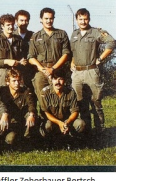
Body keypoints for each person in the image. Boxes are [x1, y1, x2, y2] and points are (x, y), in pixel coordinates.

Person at [70, 8, 116, 136]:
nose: (83, 22)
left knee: (96, 101)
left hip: (91, 71)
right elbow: (73, 51)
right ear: (76, 20)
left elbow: (112, 42)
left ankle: (100, 130)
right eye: (80, 19)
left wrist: (100, 58)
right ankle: (85, 130)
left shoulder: (95, 32)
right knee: (80, 102)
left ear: (89, 19)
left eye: (85, 19)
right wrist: (72, 62)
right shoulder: (74, 34)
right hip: (77, 73)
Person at [28, 8, 71, 105]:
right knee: (43, 100)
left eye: (51, 18)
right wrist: (43, 70)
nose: (48, 21)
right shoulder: (35, 36)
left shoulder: (62, 34)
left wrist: (53, 69)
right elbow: (31, 57)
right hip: (41, 72)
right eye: (46, 18)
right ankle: (45, 115)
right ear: (41, 19)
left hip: (58, 71)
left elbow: (66, 54)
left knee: (60, 99)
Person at [39, 68, 86, 143]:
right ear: (51, 80)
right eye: (55, 79)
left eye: (60, 79)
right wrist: (59, 123)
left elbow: (75, 111)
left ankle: (71, 139)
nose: (58, 82)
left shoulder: (71, 92)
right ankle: (52, 141)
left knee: (81, 124)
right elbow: (46, 113)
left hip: (67, 121)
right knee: (48, 125)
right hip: (53, 122)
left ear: (65, 80)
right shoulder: (45, 92)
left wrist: (67, 122)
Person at [0, 69, 38, 149]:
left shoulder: (25, 91)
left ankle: (27, 139)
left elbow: (31, 104)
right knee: (9, 140)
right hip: (7, 122)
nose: (17, 83)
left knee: (30, 116)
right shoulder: (2, 91)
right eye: (14, 81)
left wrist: (31, 114)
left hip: (20, 122)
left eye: (18, 80)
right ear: (7, 81)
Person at [0, 14, 26, 91]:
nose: (11, 27)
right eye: (8, 25)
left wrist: (23, 61)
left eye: (12, 24)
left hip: (16, 74)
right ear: (2, 26)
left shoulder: (18, 39)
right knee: (2, 94)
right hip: (2, 74)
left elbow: (23, 56)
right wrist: (6, 61)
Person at [15, 10, 37, 92]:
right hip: (15, 70)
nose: (24, 23)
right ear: (16, 21)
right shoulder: (12, 35)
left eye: (26, 20)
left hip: (30, 70)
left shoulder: (33, 36)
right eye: (21, 20)